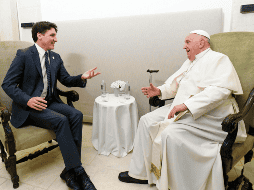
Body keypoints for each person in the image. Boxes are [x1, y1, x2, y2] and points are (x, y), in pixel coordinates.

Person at [118, 30, 247, 190]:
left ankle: (170, 183)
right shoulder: (190, 63)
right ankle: (141, 174)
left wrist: (187, 105)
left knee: (169, 134)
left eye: (187, 42)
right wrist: (159, 91)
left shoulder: (218, 59)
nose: (184, 46)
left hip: (210, 115)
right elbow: (175, 85)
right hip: (182, 107)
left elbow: (220, 91)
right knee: (146, 120)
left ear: (201, 42)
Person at [2, 21, 100, 190]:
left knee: (76, 115)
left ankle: (69, 171)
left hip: (50, 102)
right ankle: (78, 171)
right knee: (61, 120)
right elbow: (7, 84)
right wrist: (27, 99)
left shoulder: (55, 57)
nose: (56, 39)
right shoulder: (24, 55)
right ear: (39, 35)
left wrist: (81, 78)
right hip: (28, 108)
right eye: (52, 35)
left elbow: (66, 80)